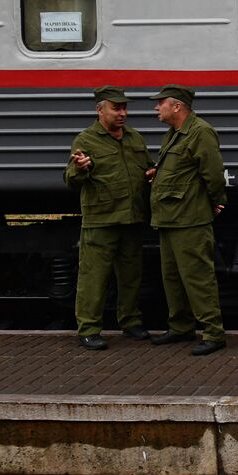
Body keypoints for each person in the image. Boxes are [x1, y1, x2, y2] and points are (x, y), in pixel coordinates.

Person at [63, 86, 153, 351]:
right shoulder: (86, 140)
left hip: (132, 217)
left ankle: (130, 321)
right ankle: (89, 329)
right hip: (101, 219)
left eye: (125, 108)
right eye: (117, 108)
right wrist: (81, 169)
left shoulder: (135, 138)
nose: (123, 113)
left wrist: (151, 174)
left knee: (131, 275)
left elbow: (146, 168)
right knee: (94, 276)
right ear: (100, 110)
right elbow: (71, 180)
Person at [147, 85, 228, 356]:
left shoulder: (200, 132)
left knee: (197, 277)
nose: (156, 108)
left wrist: (217, 201)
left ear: (177, 106)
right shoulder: (174, 134)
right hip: (170, 217)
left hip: (190, 218)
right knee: (172, 277)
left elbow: (213, 173)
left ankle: (213, 333)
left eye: (160, 104)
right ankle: (180, 326)